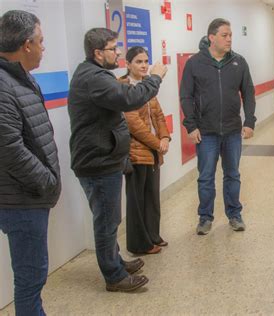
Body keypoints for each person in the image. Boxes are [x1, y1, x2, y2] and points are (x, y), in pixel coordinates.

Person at [68, 28, 167, 292]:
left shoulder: (97, 75)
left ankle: (116, 261)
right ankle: (114, 276)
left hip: (104, 158)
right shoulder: (95, 78)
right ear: (98, 53)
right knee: (107, 221)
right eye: (114, 48)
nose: (119, 52)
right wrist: (155, 77)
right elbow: (130, 99)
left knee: (110, 218)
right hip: (98, 162)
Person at [0, 10, 61, 315]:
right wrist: (46, 181)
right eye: (40, 41)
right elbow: (9, 148)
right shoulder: (3, 86)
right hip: (21, 200)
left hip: (29, 197)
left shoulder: (20, 79)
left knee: (33, 277)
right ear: (26, 44)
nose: (43, 48)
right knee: (29, 279)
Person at [180, 18, 256, 235]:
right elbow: (185, 96)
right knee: (205, 176)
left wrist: (249, 121)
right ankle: (205, 217)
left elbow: (248, 93)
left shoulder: (239, 62)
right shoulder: (195, 63)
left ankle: (234, 215)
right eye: (225, 35)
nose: (229, 39)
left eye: (231, 35)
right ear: (211, 37)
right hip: (206, 131)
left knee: (232, 174)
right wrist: (191, 126)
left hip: (232, 130)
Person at [119, 46, 171, 255]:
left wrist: (165, 137)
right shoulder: (123, 87)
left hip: (152, 153)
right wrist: (156, 143)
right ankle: (139, 244)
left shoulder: (147, 86)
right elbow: (133, 123)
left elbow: (158, 115)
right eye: (138, 61)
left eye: (145, 61)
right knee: (137, 201)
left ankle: (153, 236)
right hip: (136, 153)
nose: (143, 65)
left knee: (152, 197)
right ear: (128, 64)